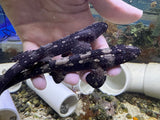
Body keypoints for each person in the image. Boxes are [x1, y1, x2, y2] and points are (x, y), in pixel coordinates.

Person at [0, 0, 143, 90]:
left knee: (32, 66)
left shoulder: (83, 41)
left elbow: (80, 51)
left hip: (51, 58)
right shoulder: (92, 53)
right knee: (30, 66)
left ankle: (5, 81)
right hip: (51, 57)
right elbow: (95, 82)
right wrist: (99, 76)